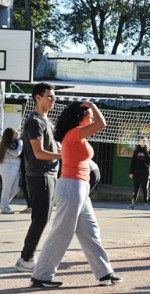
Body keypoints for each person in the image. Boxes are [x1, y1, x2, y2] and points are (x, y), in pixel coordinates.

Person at [30, 101, 123, 288]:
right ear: (79, 117)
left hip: (80, 188)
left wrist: (89, 108)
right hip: (72, 187)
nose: (91, 117)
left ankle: (104, 273)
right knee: (61, 233)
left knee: (91, 232)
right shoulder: (74, 133)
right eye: (88, 114)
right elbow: (101, 123)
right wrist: (92, 105)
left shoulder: (78, 135)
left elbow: (97, 124)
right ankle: (41, 276)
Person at [15, 83, 61, 272]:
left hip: (49, 174)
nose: (53, 99)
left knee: (43, 218)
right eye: (49, 96)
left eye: (54, 96)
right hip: (39, 175)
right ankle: (26, 259)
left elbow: (50, 148)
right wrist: (63, 156)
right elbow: (39, 153)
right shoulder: (35, 121)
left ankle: (25, 258)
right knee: (40, 219)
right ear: (38, 98)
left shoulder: (47, 121)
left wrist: (60, 150)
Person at [0, 128, 23, 214]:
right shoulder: (5, 145)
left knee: (16, 189)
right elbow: (17, 153)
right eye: (15, 133)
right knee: (7, 188)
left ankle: (3, 203)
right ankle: (5, 206)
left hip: (15, 167)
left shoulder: (16, 142)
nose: (17, 134)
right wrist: (21, 143)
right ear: (10, 135)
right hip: (7, 167)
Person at [128, 136, 150, 209]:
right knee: (136, 187)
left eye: (144, 141)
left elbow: (149, 160)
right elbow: (133, 161)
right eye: (141, 141)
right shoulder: (136, 150)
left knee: (145, 188)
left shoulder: (149, 150)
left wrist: (146, 150)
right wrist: (131, 172)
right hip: (137, 171)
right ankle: (133, 203)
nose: (142, 142)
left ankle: (145, 203)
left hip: (145, 171)